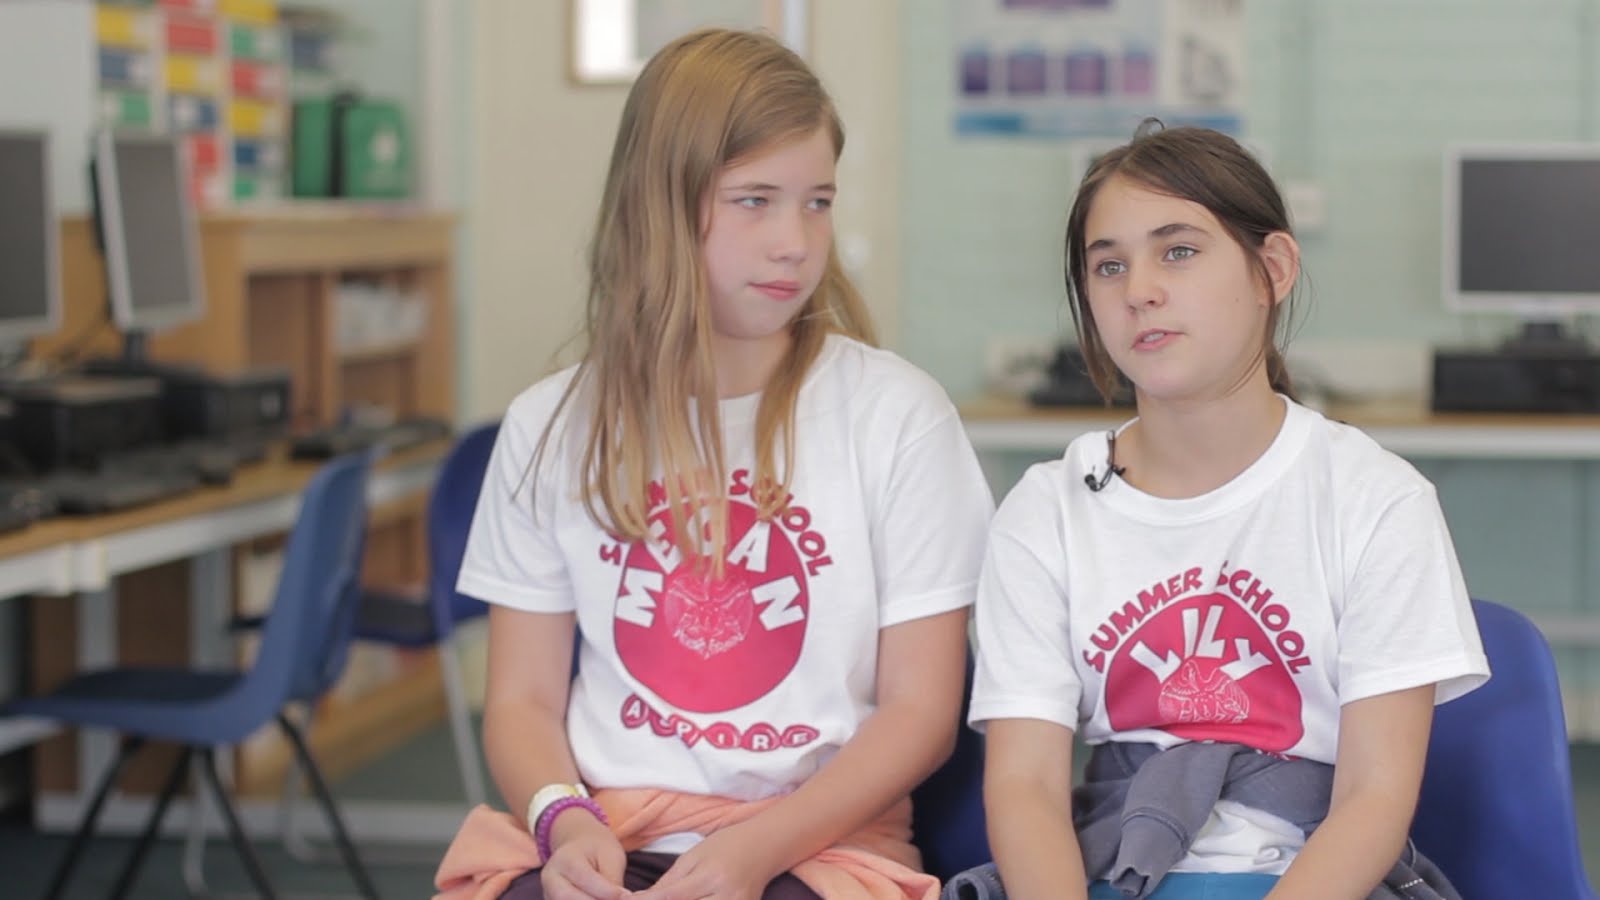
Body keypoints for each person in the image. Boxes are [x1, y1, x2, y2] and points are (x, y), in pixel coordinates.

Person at [433, 27, 994, 900]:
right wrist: (562, 820)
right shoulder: (552, 425)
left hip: (817, 843)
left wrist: (752, 852)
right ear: (660, 204)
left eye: (817, 202)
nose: (794, 241)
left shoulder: (899, 418)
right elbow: (521, 702)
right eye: (754, 200)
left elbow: (921, 714)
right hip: (608, 831)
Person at [967, 122, 1490, 900]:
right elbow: (1027, 787)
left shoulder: (1376, 499)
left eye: (1178, 251)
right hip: (1115, 869)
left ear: (1271, 269)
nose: (1139, 289)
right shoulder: (1046, 511)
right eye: (1109, 265)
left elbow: (1372, 799)